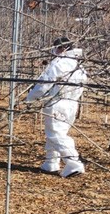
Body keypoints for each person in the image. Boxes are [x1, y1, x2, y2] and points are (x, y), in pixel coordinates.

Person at [25, 36, 87, 178]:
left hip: (57, 103)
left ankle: (74, 164)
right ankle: (51, 163)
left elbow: (44, 84)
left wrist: (30, 97)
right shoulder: (78, 66)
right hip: (72, 103)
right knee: (57, 132)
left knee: (55, 134)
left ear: (61, 49)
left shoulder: (59, 64)